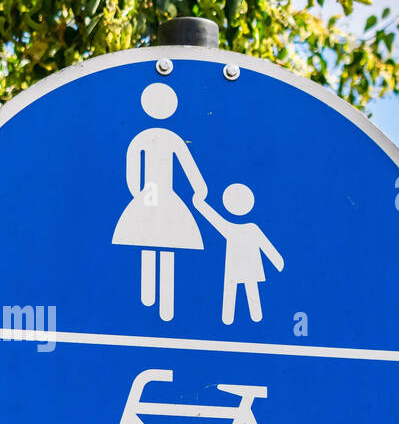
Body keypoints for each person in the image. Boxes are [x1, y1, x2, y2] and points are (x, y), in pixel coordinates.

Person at [112, 83, 207, 321]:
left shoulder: (152, 138)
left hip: (152, 196)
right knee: (158, 243)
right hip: (154, 196)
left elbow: (133, 174)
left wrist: (139, 196)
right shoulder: (152, 138)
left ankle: (161, 306)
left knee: (162, 243)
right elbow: (133, 170)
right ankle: (151, 302)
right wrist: (199, 189)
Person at [193, 183, 283, 324]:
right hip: (238, 268)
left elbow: (266, 246)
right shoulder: (240, 228)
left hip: (246, 267)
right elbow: (213, 218)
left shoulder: (240, 229)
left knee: (246, 290)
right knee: (236, 289)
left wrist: (278, 261)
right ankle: (230, 320)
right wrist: (199, 204)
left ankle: (245, 319)